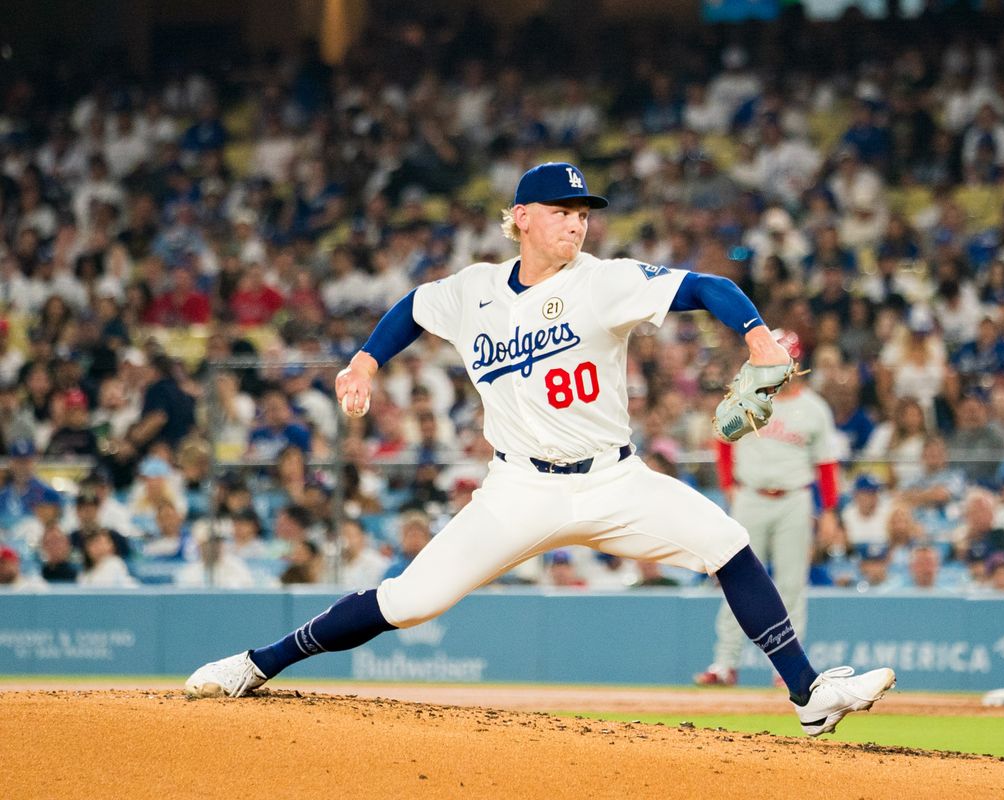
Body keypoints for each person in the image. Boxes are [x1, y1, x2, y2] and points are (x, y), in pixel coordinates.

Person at [186, 162, 893, 736]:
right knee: (408, 601)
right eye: (561, 210)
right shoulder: (474, 292)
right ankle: (256, 664)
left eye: (583, 211)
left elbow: (710, 285)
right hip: (517, 491)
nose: (577, 221)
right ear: (521, 217)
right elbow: (411, 309)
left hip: (614, 481)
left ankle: (808, 693)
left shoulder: (606, 280)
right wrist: (366, 363)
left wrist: (758, 336)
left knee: (727, 540)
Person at [697, 331, 839, 687]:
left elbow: (826, 464)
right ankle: (725, 663)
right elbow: (724, 442)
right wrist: (729, 486)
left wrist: (831, 511)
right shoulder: (745, 395)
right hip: (751, 496)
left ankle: (786, 668)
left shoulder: (814, 408)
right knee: (736, 580)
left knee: (792, 583)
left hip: (794, 498)